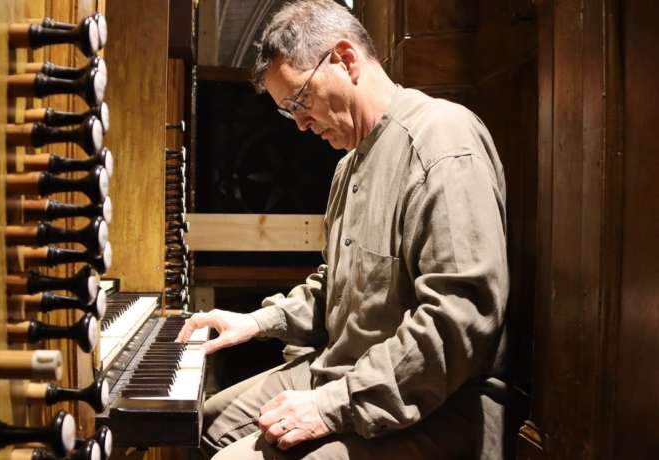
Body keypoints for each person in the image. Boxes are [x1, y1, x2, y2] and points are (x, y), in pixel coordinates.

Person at [176, 1, 509, 458]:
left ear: (345, 59)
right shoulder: (348, 167)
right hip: (345, 370)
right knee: (196, 425)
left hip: (442, 404)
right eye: (287, 110)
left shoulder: (443, 142)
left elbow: (458, 322)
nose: (298, 123)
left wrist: (331, 407)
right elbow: (334, 285)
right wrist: (256, 322)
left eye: (299, 101)